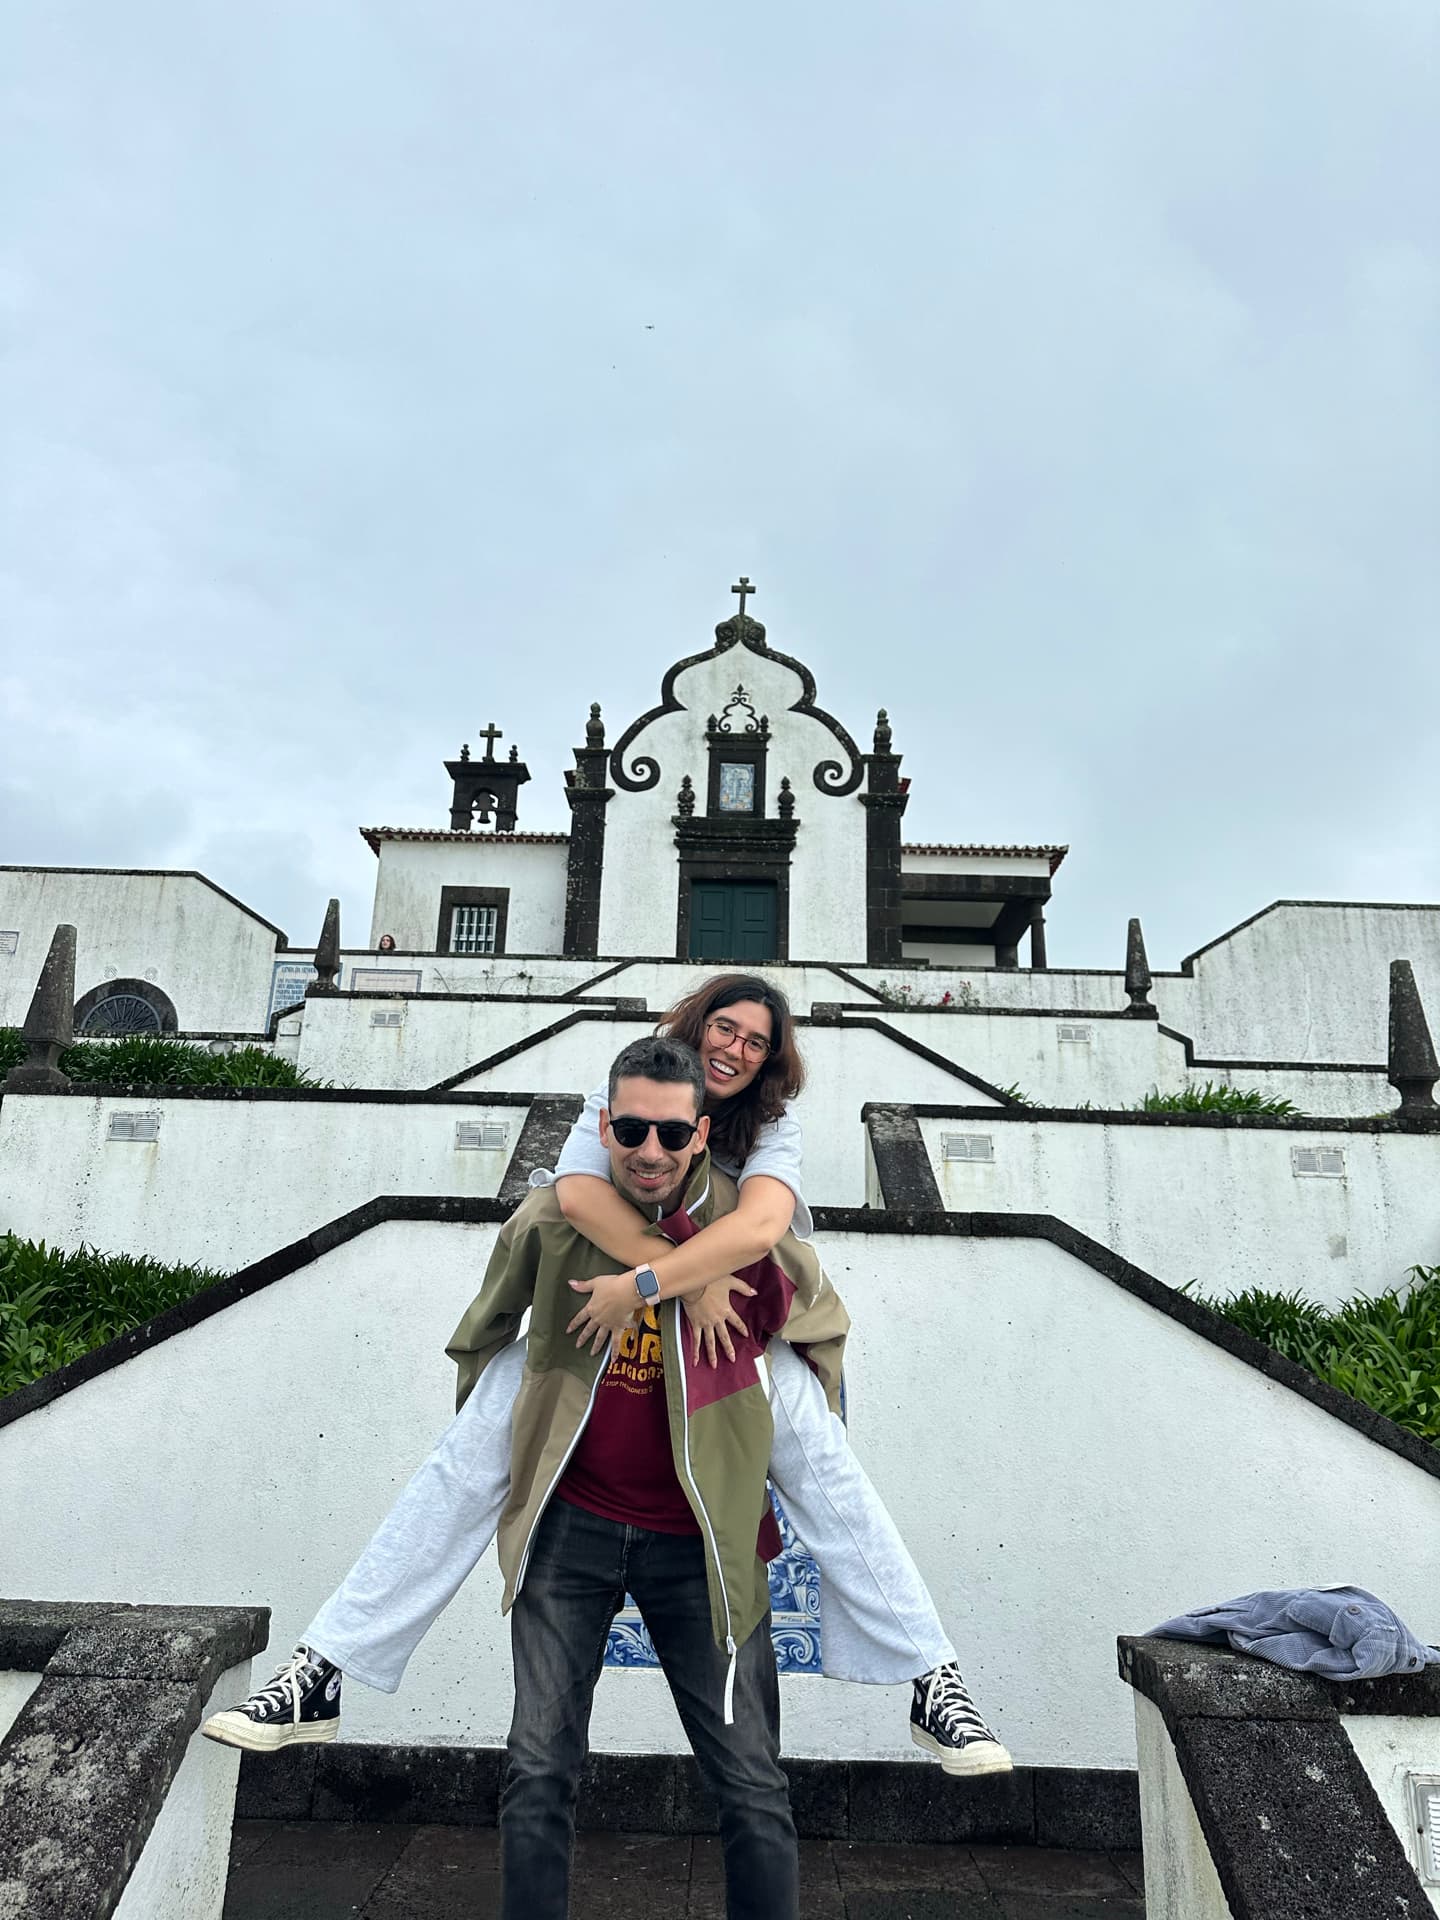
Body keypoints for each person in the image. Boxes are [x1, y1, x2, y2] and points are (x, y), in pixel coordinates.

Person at [202, 974, 1010, 1778]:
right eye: (726, 1028)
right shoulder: (624, 1089)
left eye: (756, 1042)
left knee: (829, 1475)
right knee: (464, 1463)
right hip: (606, 1310)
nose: (735, 1048)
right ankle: (324, 1666)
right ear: (697, 1025)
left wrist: (659, 1284)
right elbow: (579, 1199)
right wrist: (680, 1282)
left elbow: (761, 1226)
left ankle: (931, 1677)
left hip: (734, 1330)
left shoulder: (771, 1127)